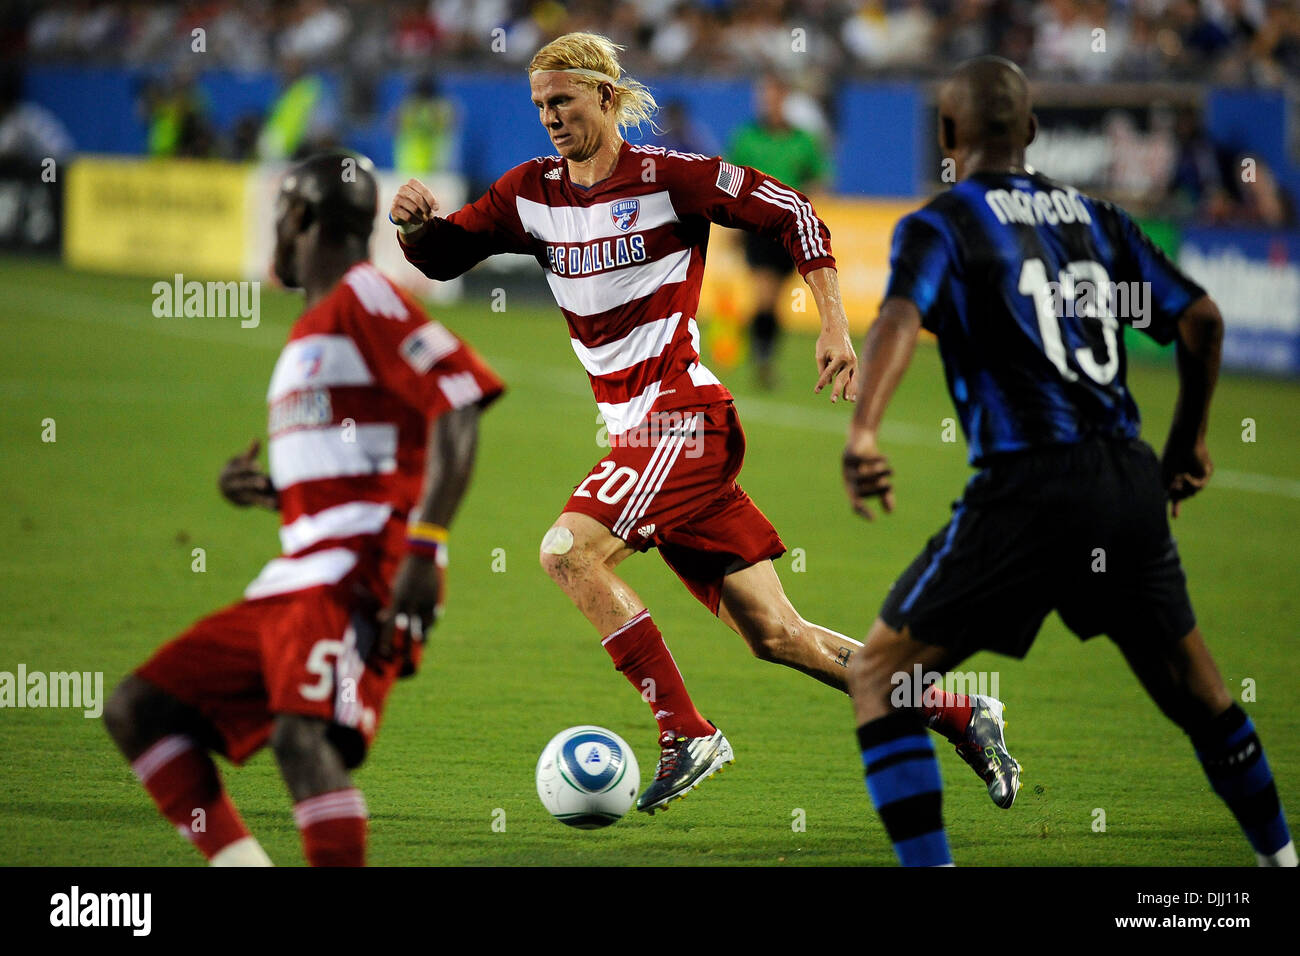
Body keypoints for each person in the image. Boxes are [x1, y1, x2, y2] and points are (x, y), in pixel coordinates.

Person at [391, 33, 1017, 815]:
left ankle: (686, 732)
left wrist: (831, 323)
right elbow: (446, 257)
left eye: (565, 101)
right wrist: (417, 228)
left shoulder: (670, 178)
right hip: (640, 438)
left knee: (569, 553)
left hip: (682, 420)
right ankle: (962, 712)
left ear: (608, 97)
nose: (551, 117)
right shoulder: (530, 193)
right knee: (778, 636)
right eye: (540, 105)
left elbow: (793, 211)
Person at [841, 56, 1295, 867]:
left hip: (1028, 487)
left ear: (948, 136)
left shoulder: (941, 223)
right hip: (1126, 482)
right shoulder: (1097, 217)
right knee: (1199, 693)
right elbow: (1202, 320)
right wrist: (1188, 440)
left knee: (880, 676)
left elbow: (901, 315)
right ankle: (1279, 860)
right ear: (1035, 131)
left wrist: (865, 430)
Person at [103, 152, 504, 866]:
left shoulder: (361, 295)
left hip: (363, 567)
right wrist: (275, 493)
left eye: (279, 220)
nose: (275, 238)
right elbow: (363, 460)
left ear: (302, 218)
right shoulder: (312, 327)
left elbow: (460, 399)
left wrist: (424, 547)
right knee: (140, 709)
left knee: (303, 737)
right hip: (300, 572)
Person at [726, 73, 832, 388]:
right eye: (763, 96)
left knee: (774, 301)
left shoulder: (803, 140)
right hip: (756, 228)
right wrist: (731, 224)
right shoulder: (746, 136)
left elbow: (819, 179)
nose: (767, 102)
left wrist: (809, 207)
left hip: (790, 230)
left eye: (772, 96)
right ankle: (762, 361)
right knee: (764, 295)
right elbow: (729, 181)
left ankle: (762, 353)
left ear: (784, 99)